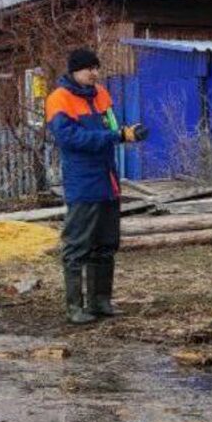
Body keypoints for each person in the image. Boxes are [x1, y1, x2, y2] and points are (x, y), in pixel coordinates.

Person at [44, 48, 145, 325]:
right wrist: (114, 136)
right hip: (83, 181)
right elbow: (71, 138)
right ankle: (75, 306)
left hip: (107, 179)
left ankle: (100, 301)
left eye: (96, 68)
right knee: (78, 246)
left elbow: (111, 125)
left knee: (106, 244)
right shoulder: (59, 99)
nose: (94, 73)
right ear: (75, 71)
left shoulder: (101, 94)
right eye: (89, 68)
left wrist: (127, 132)